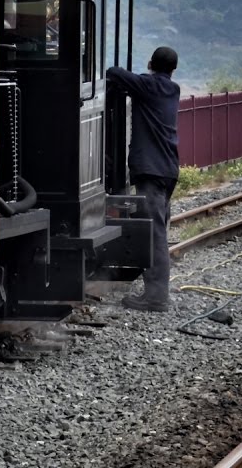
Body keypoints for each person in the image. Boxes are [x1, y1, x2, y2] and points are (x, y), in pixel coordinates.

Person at [106, 46, 181, 312]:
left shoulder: (148, 86)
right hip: (169, 168)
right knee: (158, 227)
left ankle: (157, 298)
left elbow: (113, 72)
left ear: (151, 64)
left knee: (154, 233)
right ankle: (156, 291)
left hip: (150, 169)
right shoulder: (173, 89)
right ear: (174, 69)